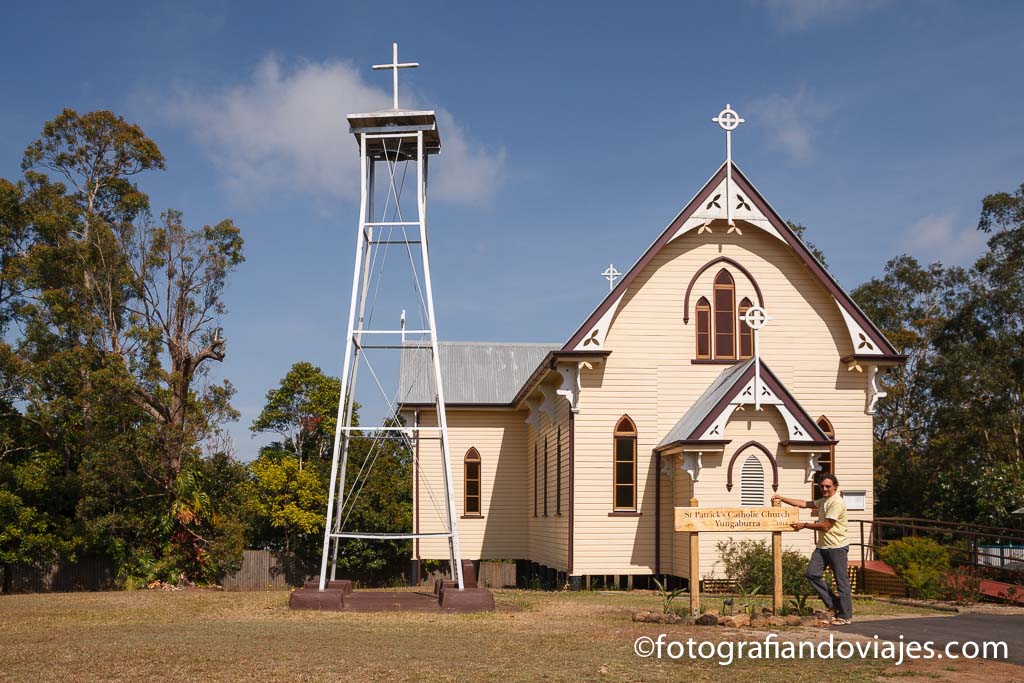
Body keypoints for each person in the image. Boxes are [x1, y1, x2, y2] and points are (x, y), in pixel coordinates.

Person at [771, 473, 851, 624]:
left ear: (835, 486)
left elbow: (826, 526)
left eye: (828, 486)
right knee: (812, 573)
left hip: (837, 547)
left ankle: (845, 616)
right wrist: (781, 498)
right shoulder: (824, 501)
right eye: (822, 486)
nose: (825, 489)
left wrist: (804, 525)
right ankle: (833, 604)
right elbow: (804, 503)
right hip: (822, 546)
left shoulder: (836, 503)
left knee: (841, 581)